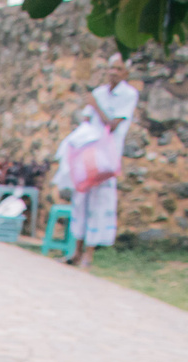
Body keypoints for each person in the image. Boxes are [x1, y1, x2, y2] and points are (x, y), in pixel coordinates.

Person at [65, 52, 137, 269]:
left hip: (107, 156)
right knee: (81, 199)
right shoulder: (99, 92)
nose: (113, 72)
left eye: (118, 69)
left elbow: (112, 125)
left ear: (125, 72)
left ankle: (89, 254)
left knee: (100, 202)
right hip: (88, 153)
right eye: (111, 68)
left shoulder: (128, 94)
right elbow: (87, 121)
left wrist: (96, 106)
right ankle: (75, 251)